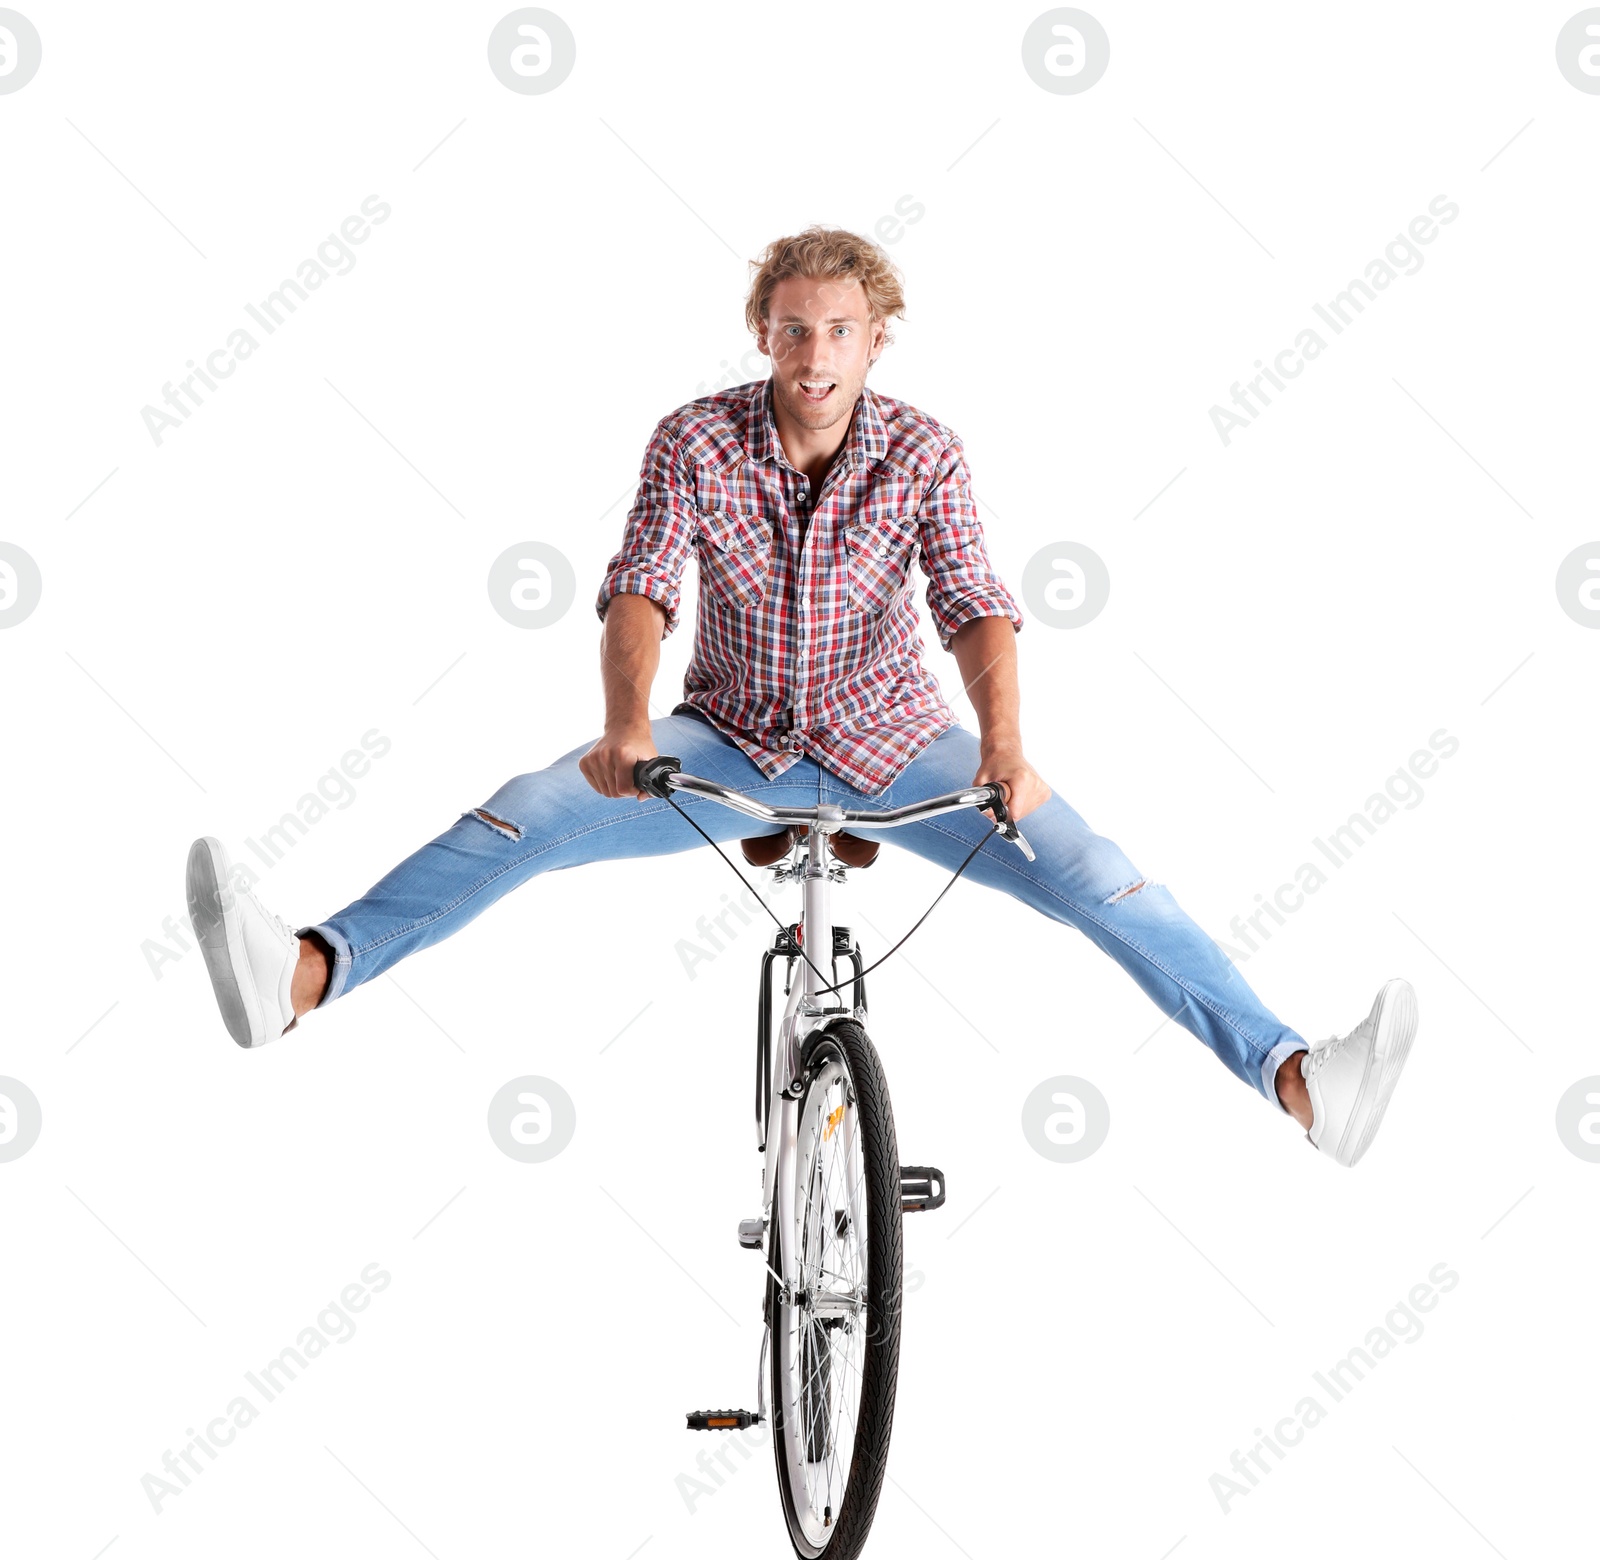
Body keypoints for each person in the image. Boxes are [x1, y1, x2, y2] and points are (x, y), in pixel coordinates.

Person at [186, 225, 1417, 1167]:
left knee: (1094, 874)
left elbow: (974, 603)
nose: (813, 355)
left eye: (838, 331)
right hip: (729, 743)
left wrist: (1005, 748)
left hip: (901, 749)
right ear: (761, 336)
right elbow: (640, 590)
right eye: (790, 330)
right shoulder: (694, 441)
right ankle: (299, 975)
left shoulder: (925, 450)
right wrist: (626, 727)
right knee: (525, 812)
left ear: (876, 337)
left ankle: (1303, 1084)